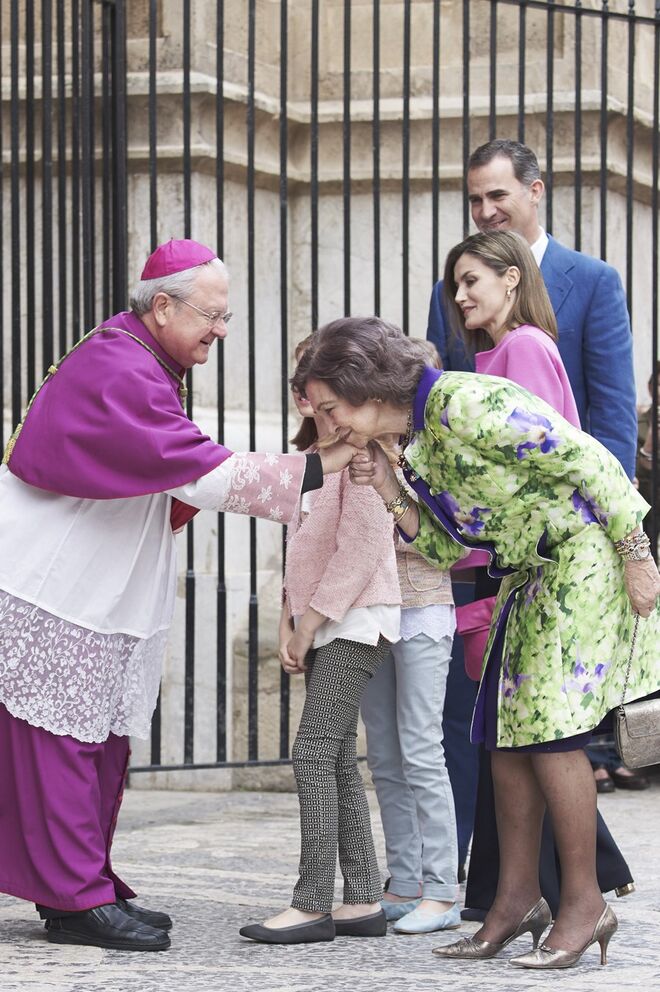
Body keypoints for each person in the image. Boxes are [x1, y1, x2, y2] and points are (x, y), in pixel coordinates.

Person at [0, 241, 355, 952]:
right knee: (64, 747)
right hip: (55, 590)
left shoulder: (143, 359)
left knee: (97, 744)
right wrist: (322, 464)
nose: (221, 330)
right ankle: (75, 900)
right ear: (162, 306)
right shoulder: (119, 364)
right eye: (212, 315)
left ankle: (83, 885)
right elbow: (196, 473)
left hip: (92, 589)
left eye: (226, 317)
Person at [293, 316, 660, 970]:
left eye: (331, 407)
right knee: (502, 736)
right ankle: (515, 901)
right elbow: (446, 549)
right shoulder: (418, 442)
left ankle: (584, 903)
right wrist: (388, 487)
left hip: (581, 558)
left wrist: (637, 552)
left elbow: (585, 456)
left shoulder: (463, 402)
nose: (328, 423)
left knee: (551, 733)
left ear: (366, 387)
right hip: (527, 576)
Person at [426, 137, 639, 889]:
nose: (486, 209)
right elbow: (442, 406)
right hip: (488, 538)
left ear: (535, 191)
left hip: (557, 539)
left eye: (498, 195)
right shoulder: (461, 288)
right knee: (489, 719)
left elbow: (607, 422)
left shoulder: (591, 283)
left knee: (542, 727)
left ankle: (567, 888)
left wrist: (621, 539)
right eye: (475, 199)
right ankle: (490, 881)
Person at [239, 335, 401, 945]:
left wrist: (309, 623)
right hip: (324, 619)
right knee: (330, 757)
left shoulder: (364, 454)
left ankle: (311, 904)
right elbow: (301, 547)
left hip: (357, 620)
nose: (311, 403)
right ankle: (361, 897)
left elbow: (361, 548)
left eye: (323, 395)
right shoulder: (313, 458)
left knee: (310, 752)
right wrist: (290, 618)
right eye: (303, 390)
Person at [360, 340, 460, 936]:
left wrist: (392, 487)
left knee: (421, 747)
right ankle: (404, 881)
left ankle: (443, 889)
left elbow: (446, 543)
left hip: (423, 608)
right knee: (385, 754)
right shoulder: (361, 449)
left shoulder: (435, 453)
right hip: (372, 611)